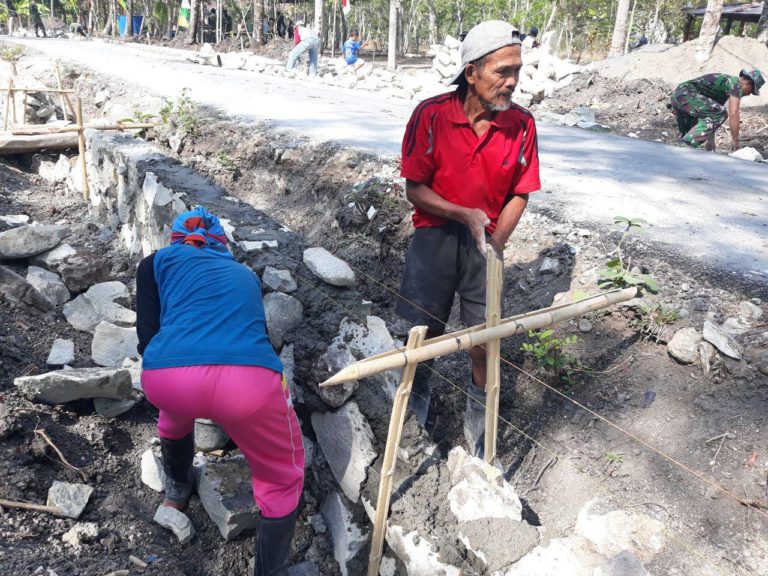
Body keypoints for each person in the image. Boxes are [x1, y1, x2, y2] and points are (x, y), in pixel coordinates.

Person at [396, 20, 540, 459]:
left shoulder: (521, 125)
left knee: (484, 341)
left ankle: (480, 437)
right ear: (471, 72)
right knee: (422, 336)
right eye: (502, 71)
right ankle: (410, 420)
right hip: (435, 236)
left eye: (517, 70)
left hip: (487, 245)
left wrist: (496, 241)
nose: (512, 81)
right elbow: (415, 188)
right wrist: (462, 214)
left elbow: (521, 190)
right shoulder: (432, 115)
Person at [136, 206, 305, 575]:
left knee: (175, 412)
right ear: (222, 245)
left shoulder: (155, 263)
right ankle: (270, 571)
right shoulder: (243, 274)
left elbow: (147, 339)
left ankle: (178, 492)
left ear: (177, 238)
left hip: (168, 381)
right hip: (247, 387)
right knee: (283, 475)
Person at [671, 69, 763, 151]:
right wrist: (735, 140)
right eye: (751, 91)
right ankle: (688, 143)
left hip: (679, 97)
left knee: (684, 141)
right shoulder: (736, 84)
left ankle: (681, 147)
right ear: (749, 84)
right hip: (687, 95)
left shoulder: (725, 85)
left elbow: (711, 115)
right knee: (722, 113)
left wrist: (711, 141)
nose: (748, 94)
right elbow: (733, 112)